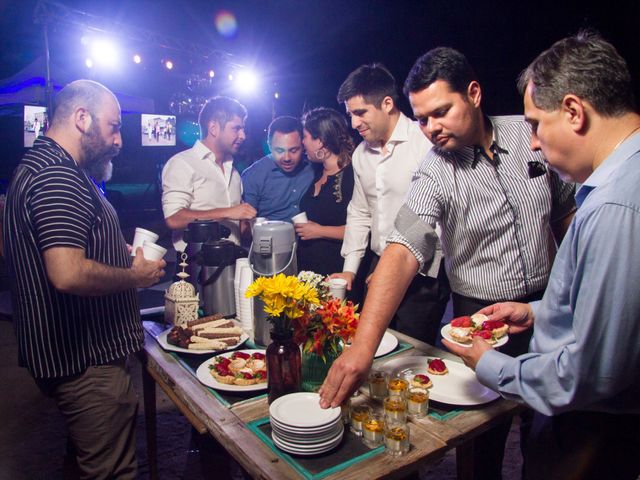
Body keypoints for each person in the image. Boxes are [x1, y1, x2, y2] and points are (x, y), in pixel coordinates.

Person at [320, 48, 576, 480]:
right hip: (478, 316)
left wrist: (577, 294)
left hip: (549, 307)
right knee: (481, 442)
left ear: (474, 94)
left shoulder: (528, 134)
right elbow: (402, 250)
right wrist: (362, 349)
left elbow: (567, 216)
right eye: (421, 118)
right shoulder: (434, 170)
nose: (430, 128)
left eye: (440, 112)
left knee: (551, 439)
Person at [444, 31, 640, 480]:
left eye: (535, 123)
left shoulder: (613, 207)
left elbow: (593, 374)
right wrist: (539, 312)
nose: (532, 141)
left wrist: (493, 365)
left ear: (573, 111)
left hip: (592, 433)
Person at [3, 79, 167, 478]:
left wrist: (110, 253)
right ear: (81, 118)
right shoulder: (58, 175)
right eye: (113, 127)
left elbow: (40, 251)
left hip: (68, 356)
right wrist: (134, 274)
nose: (119, 140)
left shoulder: (37, 166)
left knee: (83, 463)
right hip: (85, 362)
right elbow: (66, 273)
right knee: (111, 471)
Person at [330, 63, 450, 344]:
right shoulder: (361, 153)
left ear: (387, 104)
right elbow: (360, 212)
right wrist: (350, 268)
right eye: (350, 115)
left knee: (410, 353)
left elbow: (444, 219)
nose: (354, 123)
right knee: (373, 347)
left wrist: (397, 273)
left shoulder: (425, 143)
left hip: (423, 273)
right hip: (376, 265)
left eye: (360, 113)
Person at [162, 96, 256, 252]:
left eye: (243, 129)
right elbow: (173, 218)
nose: (243, 136)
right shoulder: (182, 163)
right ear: (213, 128)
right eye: (236, 128)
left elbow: (238, 225)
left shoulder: (233, 171)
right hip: (195, 267)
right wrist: (228, 212)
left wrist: (257, 227)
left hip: (232, 262)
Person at [295, 107, 355, 276]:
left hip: (336, 272)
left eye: (305, 136)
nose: (302, 142)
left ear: (320, 140)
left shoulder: (352, 175)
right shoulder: (316, 173)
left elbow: (363, 229)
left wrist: (319, 231)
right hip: (308, 272)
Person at [241, 116, 314, 222]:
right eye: (279, 150)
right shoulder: (254, 175)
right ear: (269, 146)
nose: (287, 158)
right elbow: (245, 223)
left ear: (303, 145)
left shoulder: (313, 167)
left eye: (293, 150)